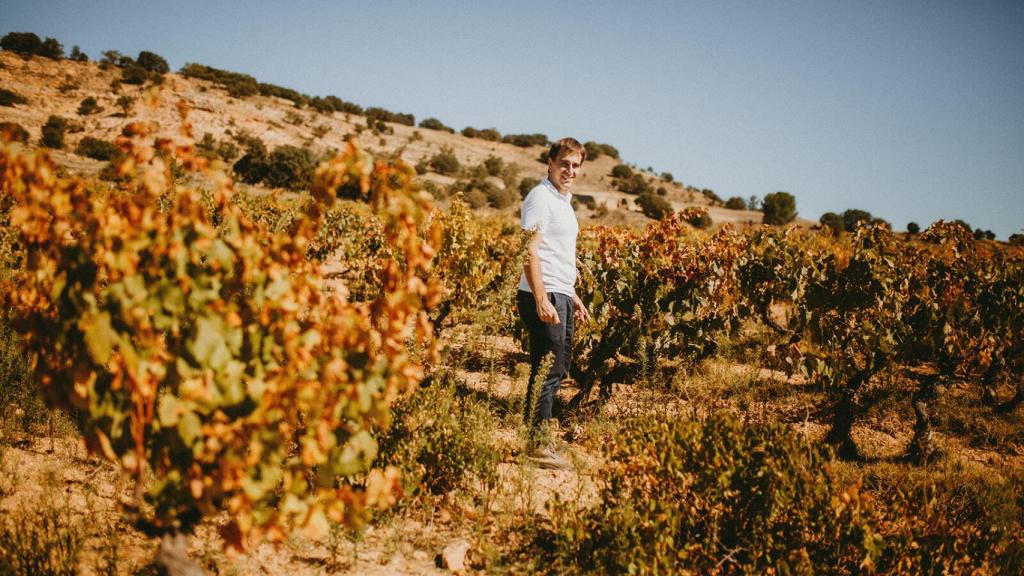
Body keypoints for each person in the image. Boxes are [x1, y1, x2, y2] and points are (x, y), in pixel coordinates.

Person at [517, 137, 591, 470]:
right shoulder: (540, 198)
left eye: (575, 166)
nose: (570, 171)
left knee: (558, 369)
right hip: (542, 294)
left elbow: (556, 254)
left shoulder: (563, 202)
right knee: (546, 368)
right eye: (564, 164)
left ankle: (541, 438)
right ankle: (536, 444)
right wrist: (541, 297)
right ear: (550, 162)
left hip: (560, 293)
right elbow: (528, 251)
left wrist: (571, 294)